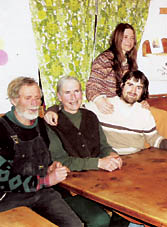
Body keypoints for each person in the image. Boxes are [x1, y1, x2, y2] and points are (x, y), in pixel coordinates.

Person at [0, 77, 82, 227]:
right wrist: (46, 180)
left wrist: (50, 167)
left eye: (37, 98)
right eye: (28, 98)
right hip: (9, 198)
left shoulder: (41, 125)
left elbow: (42, 161)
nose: (34, 103)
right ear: (13, 100)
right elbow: (2, 179)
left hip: (42, 193)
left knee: (75, 225)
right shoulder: (1, 129)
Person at [47, 76, 123, 227]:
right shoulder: (52, 123)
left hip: (98, 182)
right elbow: (63, 161)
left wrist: (112, 154)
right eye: (67, 92)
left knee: (126, 210)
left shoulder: (90, 116)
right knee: (99, 220)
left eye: (77, 91)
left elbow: (104, 146)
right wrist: (99, 163)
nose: (73, 97)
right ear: (59, 96)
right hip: (70, 188)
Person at [85, 22, 167, 141]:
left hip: (127, 105)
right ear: (118, 37)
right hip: (111, 106)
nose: (129, 41)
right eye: (125, 37)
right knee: (153, 119)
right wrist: (99, 100)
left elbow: (135, 87)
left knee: (162, 116)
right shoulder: (105, 59)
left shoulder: (130, 62)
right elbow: (92, 85)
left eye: (132, 38)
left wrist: (141, 101)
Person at [85, 70, 167, 157]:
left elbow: (154, 139)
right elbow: (74, 113)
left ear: (143, 91)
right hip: (108, 159)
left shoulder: (144, 113)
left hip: (136, 160)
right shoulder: (103, 105)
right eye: (130, 85)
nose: (133, 91)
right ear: (122, 85)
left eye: (139, 87)